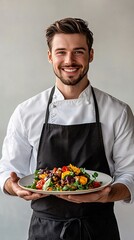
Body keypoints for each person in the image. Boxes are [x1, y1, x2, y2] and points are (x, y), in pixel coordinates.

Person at [0, 17, 134, 240]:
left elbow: (131, 174)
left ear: (91, 55)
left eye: (78, 51)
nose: (69, 60)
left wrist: (106, 195)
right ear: (50, 56)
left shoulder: (117, 111)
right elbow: (7, 171)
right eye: (61, 52)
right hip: (45, 231)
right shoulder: (26, 112)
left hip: (99, 230)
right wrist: (15, 187)